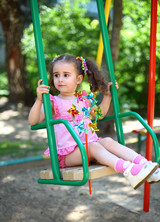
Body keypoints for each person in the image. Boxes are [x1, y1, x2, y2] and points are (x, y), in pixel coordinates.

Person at [28, 54, 160, 190]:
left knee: (107, 141)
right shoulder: (52, 102)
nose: (60, 79)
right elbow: (33, 121)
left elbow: (99, 114)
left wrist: (107, 96)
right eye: (56, 75)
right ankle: (129, 171)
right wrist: (39, 100)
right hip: (67, 156)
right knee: (94, 146)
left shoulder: (83, 100)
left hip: (87, 149)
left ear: (79, 79)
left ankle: (146, 166)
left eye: (66, 75)